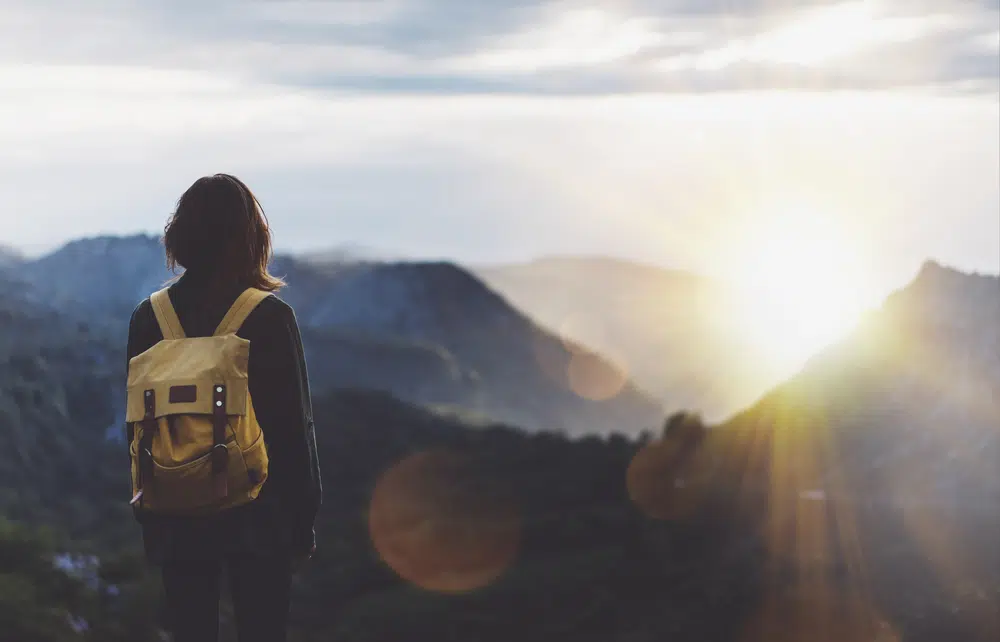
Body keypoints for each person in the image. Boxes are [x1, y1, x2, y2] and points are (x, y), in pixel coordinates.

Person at [125, 173, 322, 642]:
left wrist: (148, 510)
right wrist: (303, 522)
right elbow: (293, 428)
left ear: (180, 235)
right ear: (252, 238)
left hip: (175, 513)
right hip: (259, 516)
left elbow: (136, 425)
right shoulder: (269, 316)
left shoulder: (148, 317)